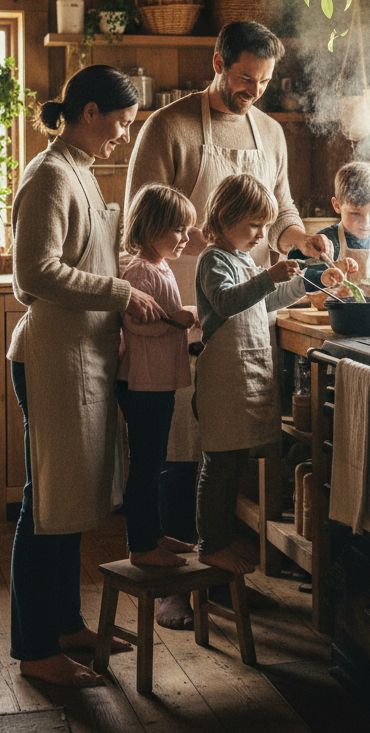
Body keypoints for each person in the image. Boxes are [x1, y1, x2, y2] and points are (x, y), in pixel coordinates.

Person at [124, 19, 333, 627]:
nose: (254, 91)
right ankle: (172, 581)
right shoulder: (170, 126)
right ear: (217, 62)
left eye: (264, 81)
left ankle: (214, 576)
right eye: (244, 78)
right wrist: (147, 301)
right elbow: (140, 221)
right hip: (179, 298)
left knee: (226, 442)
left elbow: (283, 211)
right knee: (178, 444)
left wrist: (302, 245)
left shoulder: (269, 131)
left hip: (245, 300)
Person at [7, 64, 160, 689]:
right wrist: (120, 291)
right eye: (122, 122)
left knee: (67, 501)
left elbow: (83, 260)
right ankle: (35, 648)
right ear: (90, 111)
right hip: (53, 358)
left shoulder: (79, 170)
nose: (125, 134)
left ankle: (66, 623)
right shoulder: (49, 175)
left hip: (83, 357)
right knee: (46, 503)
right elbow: (33, 276)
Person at [193, 173, 347, 573]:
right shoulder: (213, 260)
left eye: (265, 225)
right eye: (254, 225)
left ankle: (219, 542)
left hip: (242, 375)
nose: (262, 234)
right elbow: (227, 303)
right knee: (219, 464)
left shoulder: (244, 258)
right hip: (223, 378)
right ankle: (210, 545)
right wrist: (268, 276)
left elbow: (266, 302)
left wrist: (309, 282)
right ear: (224, 219)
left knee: (233, 462)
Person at [117, 183, 202, 568]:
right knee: (147, 464)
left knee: (155, 460)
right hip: (143, 382)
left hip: (158, 380)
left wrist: (178, 312)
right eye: (178, 229)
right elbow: (136, 324)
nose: (185, 237)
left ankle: (153, 534)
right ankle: (140, 546)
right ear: (151, 227)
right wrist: (175, 322)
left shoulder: (158, 265)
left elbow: (159, 312)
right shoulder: (138, 270)